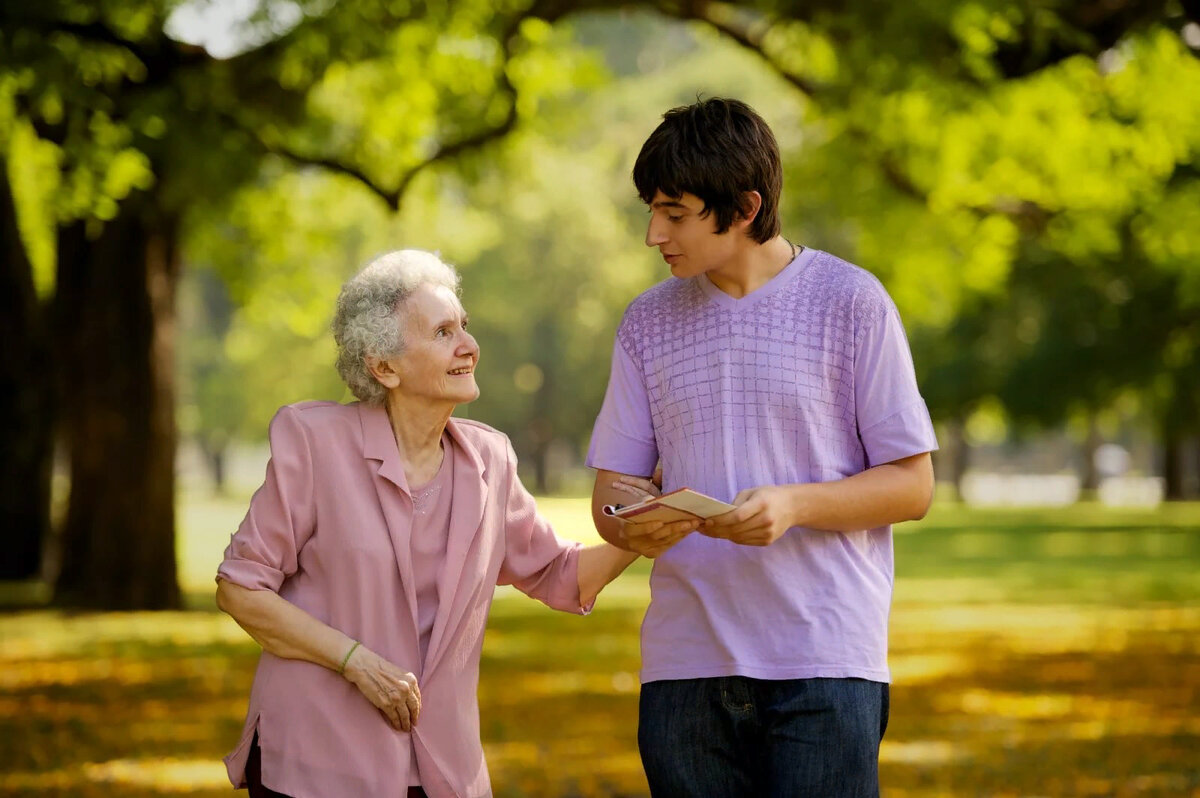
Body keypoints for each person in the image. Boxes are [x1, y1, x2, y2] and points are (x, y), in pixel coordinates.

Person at [216, 249, 674, 798]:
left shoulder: (490, 459)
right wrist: (354, 660)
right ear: (383, 366)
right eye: (442, 332)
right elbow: (241, 588)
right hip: (318, 759)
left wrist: (651, 520)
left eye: (465, 327)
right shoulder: (316, 443)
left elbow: (563, 574)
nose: (469, 346)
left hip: (443, 770)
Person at [588, 98, 938, 797]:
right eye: (651, 211)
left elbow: (912, 485)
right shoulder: (645, 322)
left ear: (744, 207)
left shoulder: (853, 303)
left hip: (825, 663)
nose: (654, 234)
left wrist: (794, 504)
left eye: (675, 213)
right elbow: (611, 498)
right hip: (684, 673)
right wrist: (638, 521)